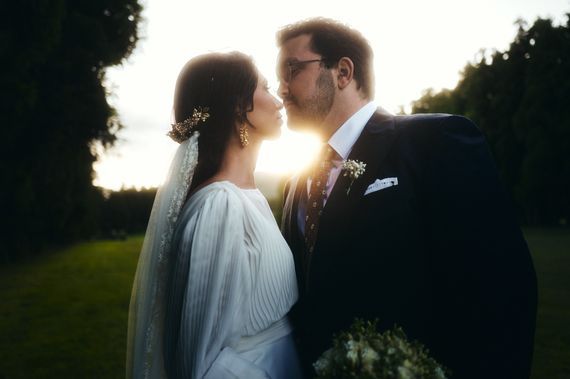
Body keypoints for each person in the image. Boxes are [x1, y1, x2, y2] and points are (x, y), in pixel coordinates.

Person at [277, 18, 537, 378]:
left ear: (343, 72)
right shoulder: (296, 184)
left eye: (291, 70)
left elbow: (501, 292)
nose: (282, 89)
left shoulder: (436, 141)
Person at [126, 51, 303, 379]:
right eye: (265, 87)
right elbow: (200, 365)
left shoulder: (250, 199)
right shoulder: (217, 206)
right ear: (239, 107)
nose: (278, 98)